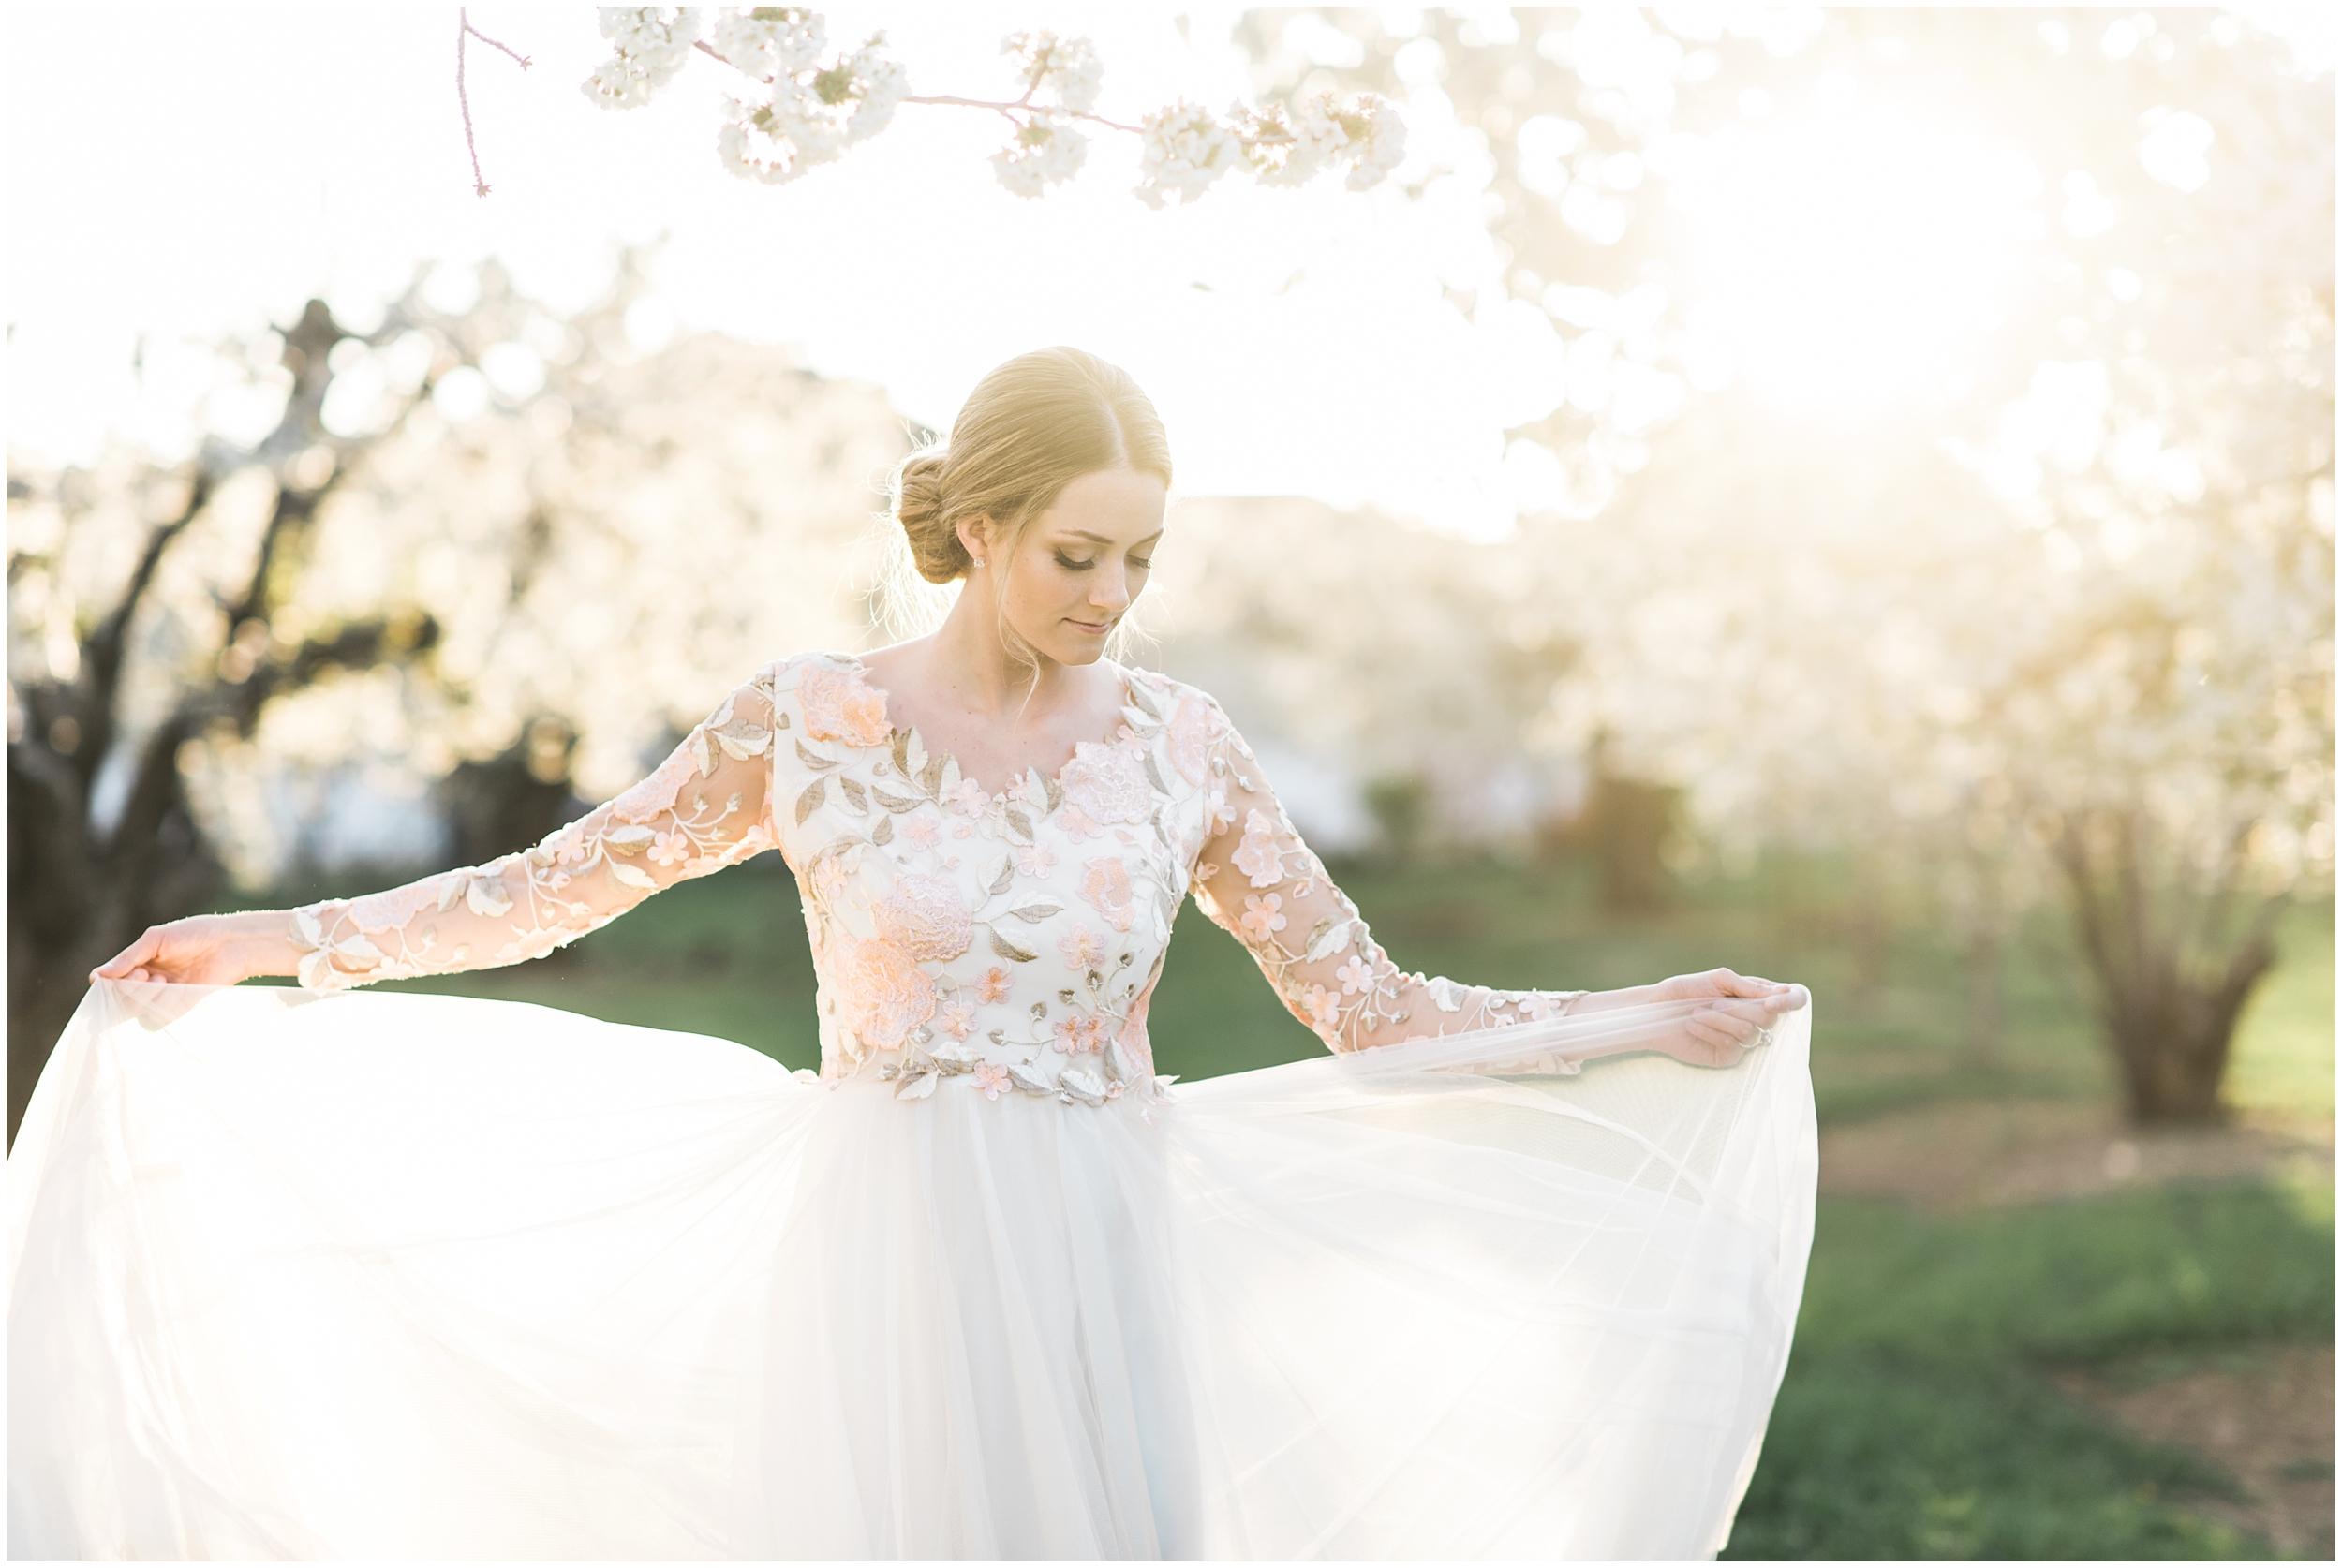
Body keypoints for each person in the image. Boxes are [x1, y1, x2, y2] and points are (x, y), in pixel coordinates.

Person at [14, 348, 1816, 1561]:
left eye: (1141, 558)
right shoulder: (806, 722)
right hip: (882, 1243)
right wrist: (270, 941)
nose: (1114, 594)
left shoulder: (1182, 744)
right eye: (1078, 553)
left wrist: (1638, 1015)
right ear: (976, 532)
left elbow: (1369, 1005)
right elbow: (558, 886)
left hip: (1101, 1237)